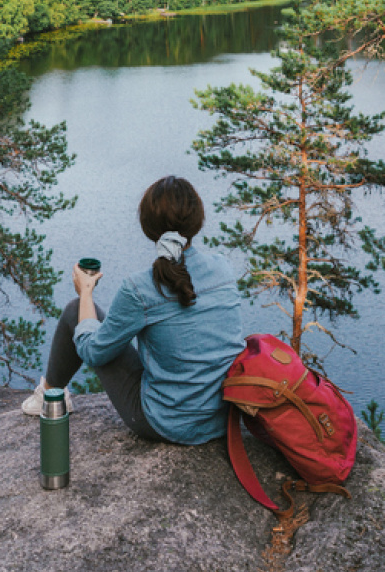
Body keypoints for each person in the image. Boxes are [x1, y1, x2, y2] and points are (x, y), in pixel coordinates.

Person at [20, 175, 244, 445]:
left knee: (75, 310)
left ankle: (50, 395)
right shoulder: (223, 268)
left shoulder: (140, 287)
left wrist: (86, 293)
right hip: (224, 420)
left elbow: (93, 352)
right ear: (197, 221)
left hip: (167, 423)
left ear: (147, 226)